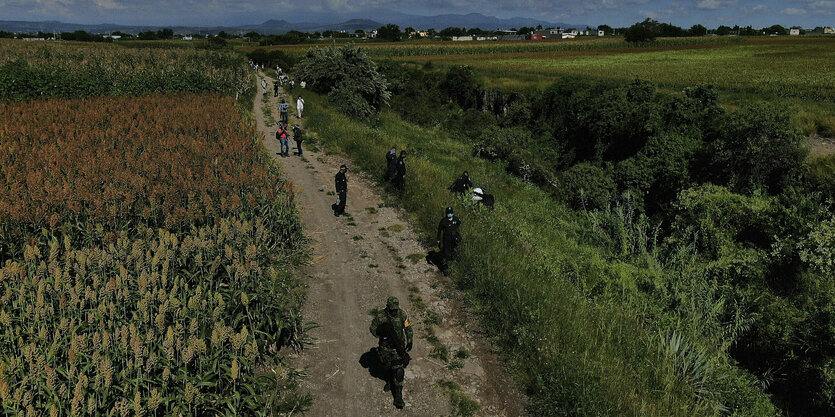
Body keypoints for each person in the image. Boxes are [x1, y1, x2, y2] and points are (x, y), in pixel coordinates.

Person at [369, 296, 413, 409]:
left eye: (395, 309)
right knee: (387, 367)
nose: (394, 311)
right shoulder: (380, 316)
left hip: (398, 348)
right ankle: (388, 379)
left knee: (399, 371)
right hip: (385, 349)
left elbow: (408, 327)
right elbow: (373, 329)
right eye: (392, 309)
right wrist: (381, 334)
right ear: (387, 307)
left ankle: (398, 397)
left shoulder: (402, 314)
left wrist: (410, 340)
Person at [436, 207, 462, 275]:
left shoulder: (456, 219)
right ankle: (445, 269)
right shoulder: (443, 221)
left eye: (451, 213)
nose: (450, 214)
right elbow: (439, 230)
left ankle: (454, 264)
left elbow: (459, 223)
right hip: (446, 239)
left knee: (453, 251)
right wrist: (438, 239)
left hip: (454, 239)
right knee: (446, 253)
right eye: (448, 213)